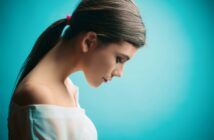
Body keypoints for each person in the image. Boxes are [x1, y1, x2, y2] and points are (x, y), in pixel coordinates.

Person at [7, 0, 146, 139]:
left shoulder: (66, 86)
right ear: (89, 41)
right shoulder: (39, 94)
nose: (119, 73)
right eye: (119, 59)